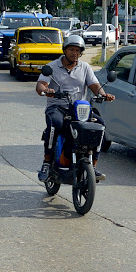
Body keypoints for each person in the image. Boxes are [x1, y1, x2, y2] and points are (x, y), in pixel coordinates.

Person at [34, 34, 114, 182]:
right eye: (71, 49)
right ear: (65, 50)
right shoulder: (52, 67)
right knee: (55, 125)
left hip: (79, 110)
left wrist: (103, 94)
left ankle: (93, 166)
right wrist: (46, 90)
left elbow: (94, 85)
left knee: (100, 125)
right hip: (57, 107)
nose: (74, 53)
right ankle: (46, 163)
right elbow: (41, 85)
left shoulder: (85, 67)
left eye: (78, 50)